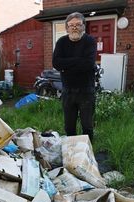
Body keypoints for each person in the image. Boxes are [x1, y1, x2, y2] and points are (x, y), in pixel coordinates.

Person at [52, 12, 97, 140]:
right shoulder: (61, 42)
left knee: (87, 126)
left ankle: (87, 153)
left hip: (86, 91)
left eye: (78, 24)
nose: (74, 27)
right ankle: (72, 152)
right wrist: (78, 61)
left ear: (83, 26)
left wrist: (66, 65)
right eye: (71, 25)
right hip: (68, 91)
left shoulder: (89, 41)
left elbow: (88, 64)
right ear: (67, 28)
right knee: (69, 126)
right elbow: (56, 63)